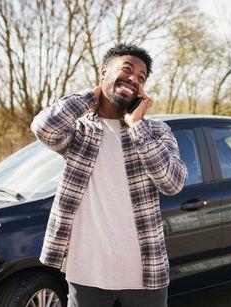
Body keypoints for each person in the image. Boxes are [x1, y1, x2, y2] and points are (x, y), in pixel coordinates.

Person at [30, 43, 187, 307]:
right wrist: (92, 97)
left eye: (141, 77)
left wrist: (136, 126)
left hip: (144, 273)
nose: (133, 79)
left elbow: (172, 183)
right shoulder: (80, 131)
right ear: (104, 71)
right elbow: (44, 127)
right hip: (87, 270)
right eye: (127, 69)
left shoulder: (156, 132)